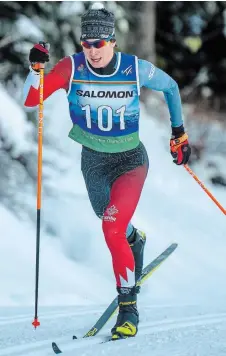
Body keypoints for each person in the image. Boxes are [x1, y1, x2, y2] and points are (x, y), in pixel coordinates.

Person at [23, 6, 191, 339]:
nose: (92, 50)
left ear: (112, 41)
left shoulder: (134, 69)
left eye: (99, 43)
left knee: (110, 226)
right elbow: (32, 99)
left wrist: (179, 132)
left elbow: (171, 86)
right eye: (87, 43)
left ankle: (128, 309)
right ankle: (135, 239)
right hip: (94, 163)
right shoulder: (71, 67)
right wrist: (36, 68)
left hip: (130, 161)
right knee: (112, 221)